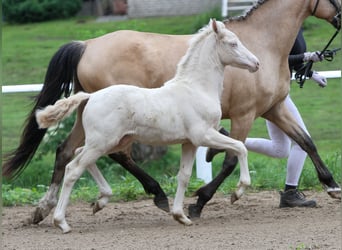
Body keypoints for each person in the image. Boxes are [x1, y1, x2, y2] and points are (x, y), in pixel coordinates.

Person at [244, 28, 327, 208]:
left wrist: (312, 73)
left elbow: (294, 63)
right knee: (303, 141)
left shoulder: (296, 27)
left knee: (280, 149)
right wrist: (306, 56)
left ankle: (229, 140)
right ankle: (290, 193)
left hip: (278, 92)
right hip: (274, 94)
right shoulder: (279, 26)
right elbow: (274, 60)